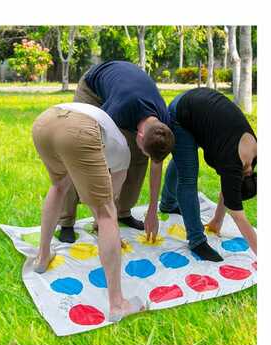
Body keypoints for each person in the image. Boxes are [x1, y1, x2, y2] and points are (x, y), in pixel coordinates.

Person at [32, 102, 144, 321]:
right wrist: (104, 226)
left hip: (44, 123)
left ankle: (42, 257)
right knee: (106, 213)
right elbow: (110, 202)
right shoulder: (124, 156)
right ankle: (118, 304)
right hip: (78, 129)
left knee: (58, 186)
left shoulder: (112, 139)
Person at [58, 60, 175, 243]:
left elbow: (156, 164)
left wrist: (153, 209)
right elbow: (97, 157)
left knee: (137, 159)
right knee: (81, 154)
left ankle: (122, 212)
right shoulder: (118, 110)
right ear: (141, 135)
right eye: (144, 147)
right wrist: (102, 219)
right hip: (92, 89)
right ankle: (66, 221)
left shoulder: (162, 122)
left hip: (125, 94)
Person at [159, 87, 257, 262]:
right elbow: (238, 216)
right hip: (181, 113)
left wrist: (217, 222)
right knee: (188, 178)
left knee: (183, 158)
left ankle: (167, 203)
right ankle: (196, 240)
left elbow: (227, 190)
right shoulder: (232, 164)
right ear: (240, 176)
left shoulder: (253, 155)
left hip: (198, 107)